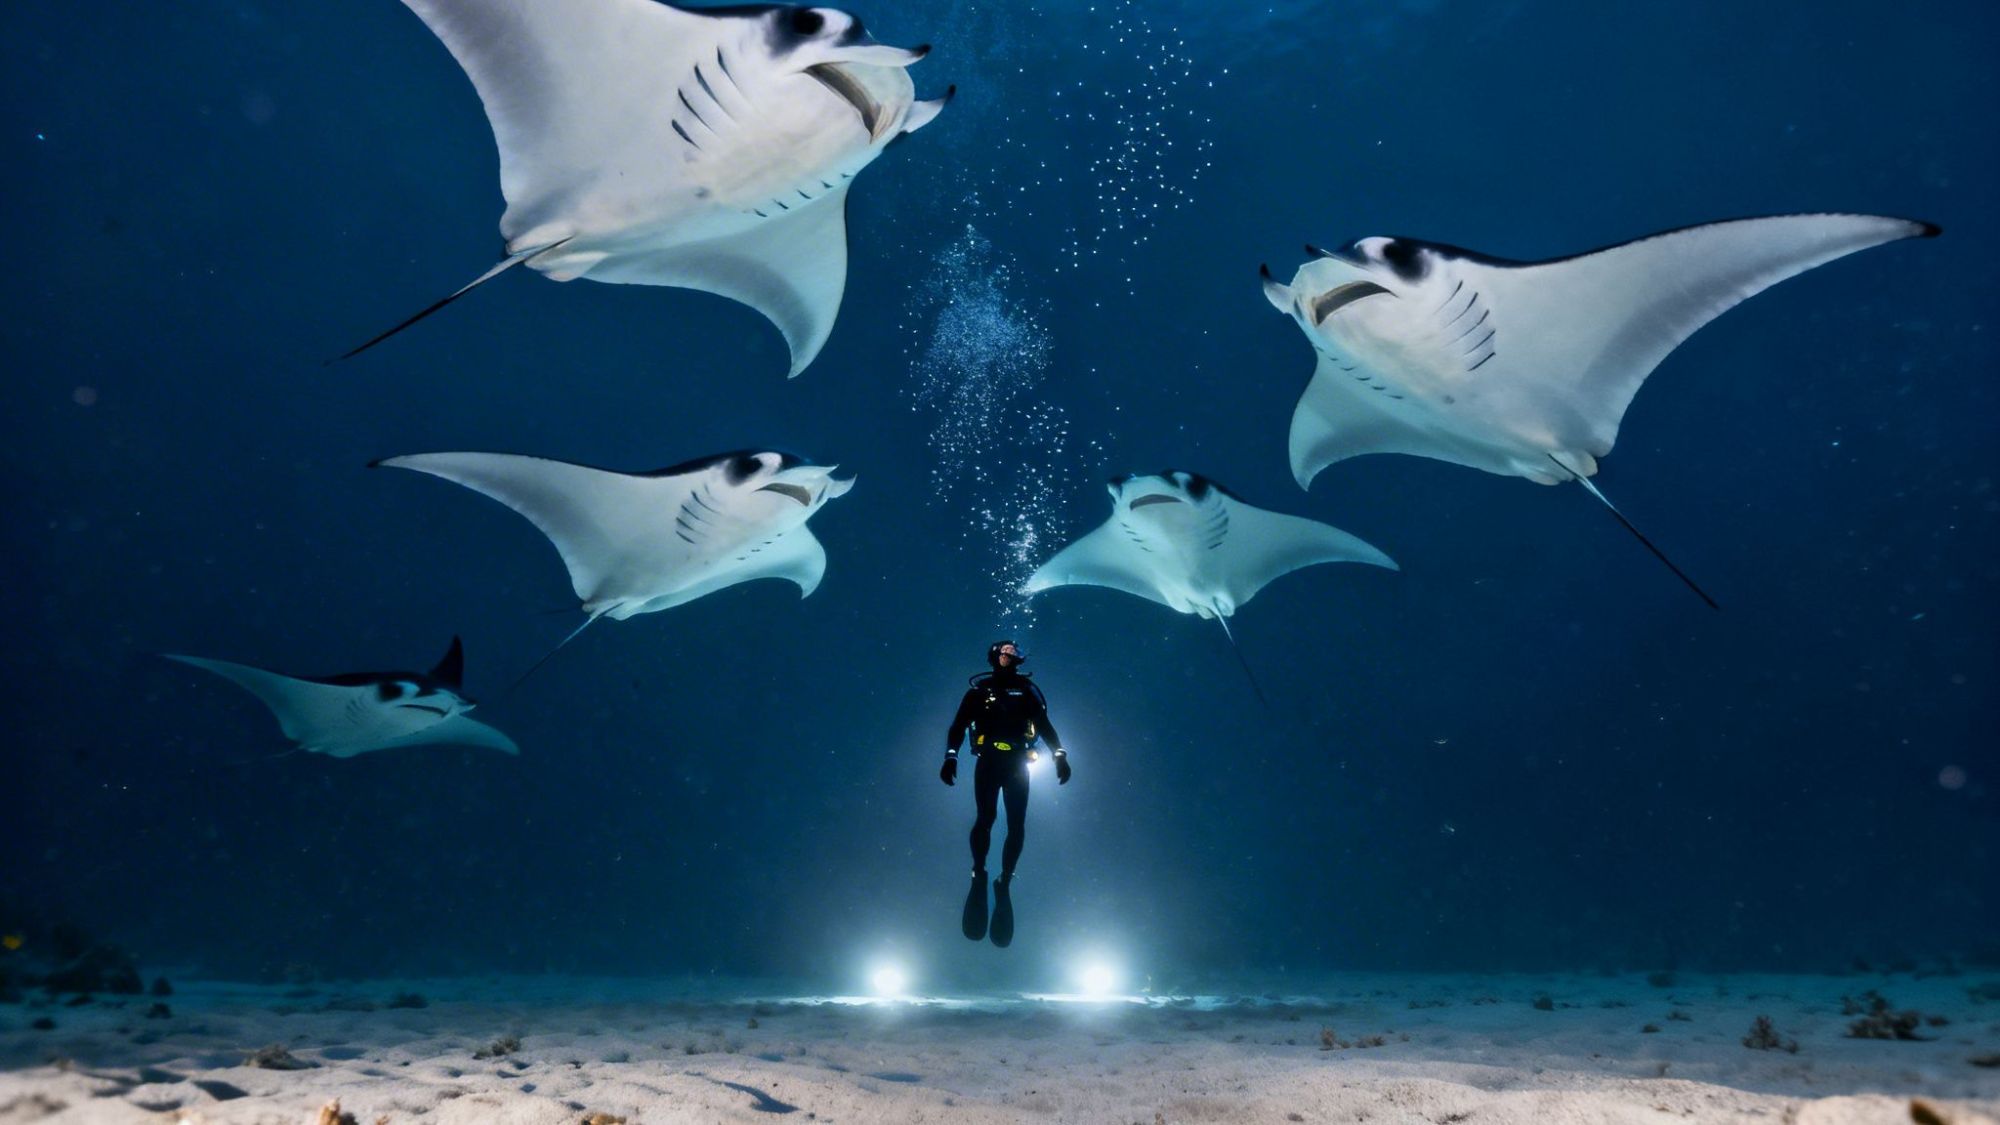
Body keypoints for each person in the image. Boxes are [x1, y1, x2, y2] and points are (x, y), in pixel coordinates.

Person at [940, 640, 1069, 945]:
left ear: (1020, 659)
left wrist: (1059, 755)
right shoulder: (978, 692)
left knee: (1015, 825)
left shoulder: (1027, 693)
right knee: (985, 818)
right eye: (1003, 651)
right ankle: (979, 874)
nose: (1008, 656)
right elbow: (958, 726)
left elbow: (1044, 724)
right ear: (993, 656)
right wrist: (950, 756)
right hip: (987, 761)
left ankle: (1005, 881)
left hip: (1018, 763)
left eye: (1013, 652)